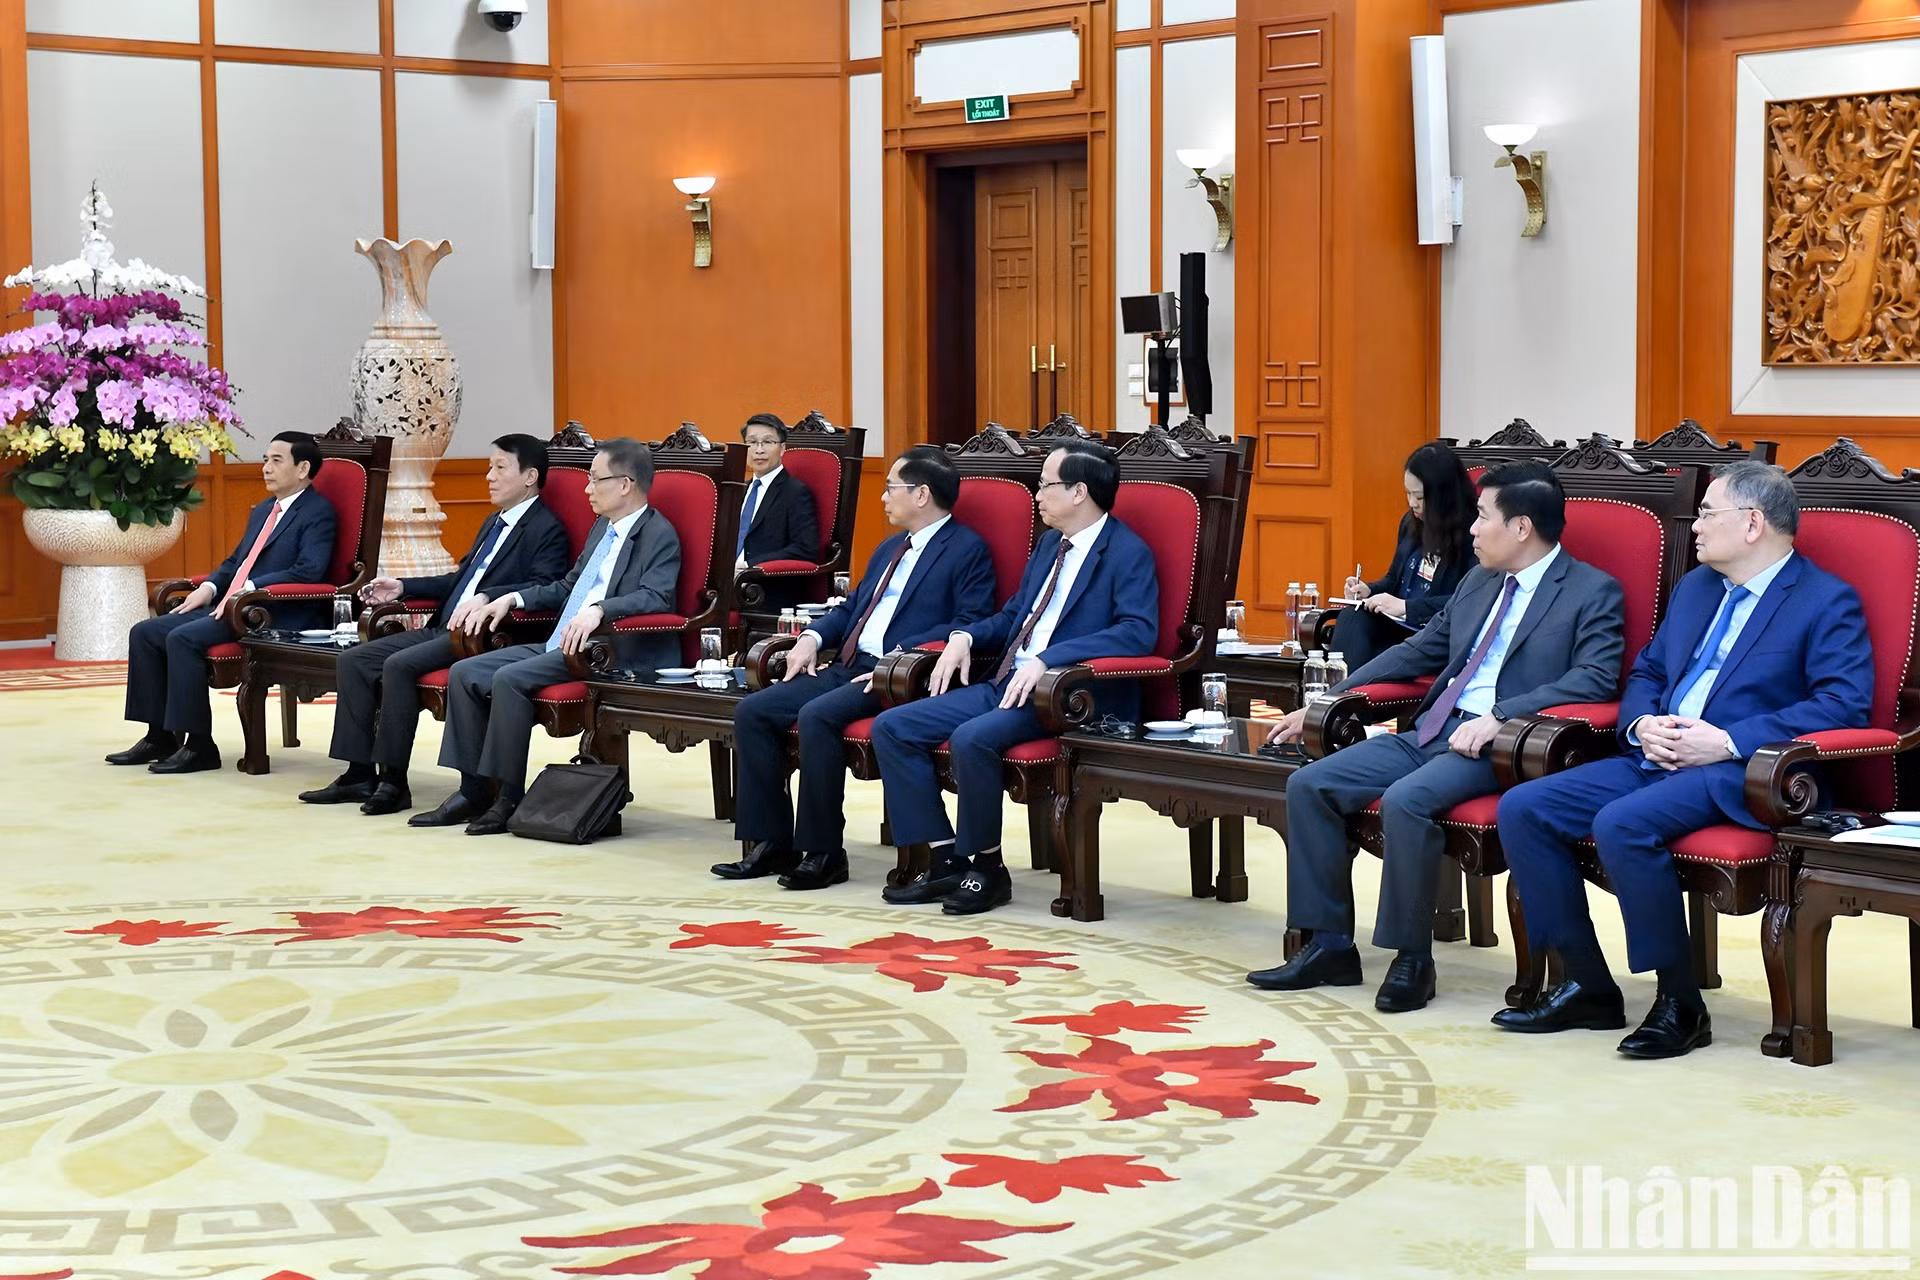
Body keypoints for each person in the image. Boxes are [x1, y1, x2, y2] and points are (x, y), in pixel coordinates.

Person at [1494, 461, 1873, 1059]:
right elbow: (1648, 670)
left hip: (1745, 772)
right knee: (1525, 807)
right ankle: (1587, 985)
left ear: (1753, 524)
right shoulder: (1697, 587)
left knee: (1623, 823)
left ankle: (1680, 1003)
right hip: (1658, 753)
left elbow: (1843, 703)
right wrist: (1643, 725)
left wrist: (1725, 741)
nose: (1693, 527)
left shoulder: (1825, 600)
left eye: (1706, 513)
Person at [1245, 460, 1626, 1013]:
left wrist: (1503, 715)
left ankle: (1411, 957)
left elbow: (1595, 677)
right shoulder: (1479, 581)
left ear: (1521, 528)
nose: (1470, 529)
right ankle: (1328, 944)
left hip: (1504, 744)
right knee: (1312, 784)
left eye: (1482, 518)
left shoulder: (1592, 591)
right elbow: (1417, 650)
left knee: (1407, 802)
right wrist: (1326, 700)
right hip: (1433, 728)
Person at [870, 440, 1158, 916]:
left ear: (1078, 492)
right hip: (1006, 683)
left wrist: (1051, 659)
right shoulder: (1050, 545)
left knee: (972, 739)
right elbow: (1011, 617)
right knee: (894, 727)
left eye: (1044, 485)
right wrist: (963, 636)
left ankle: (986, 868)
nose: (1037, 495)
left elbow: (1136, 633)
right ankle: (943, 856)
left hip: (1068, 695)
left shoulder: (1127, 552)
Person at [713, 446, 997, 889]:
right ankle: (769, 843)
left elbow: (970, 622)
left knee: (817, 715)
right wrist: (812, 637)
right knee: (754, 710)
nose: (883, 497)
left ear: (921, 495)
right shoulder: (890, 548)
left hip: (900, 673)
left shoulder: (966, 549)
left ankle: (824, 852)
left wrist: (897, 659)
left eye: (890, 488)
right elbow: (852, 608)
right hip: (849, 664)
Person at [415, 438, 681, 835]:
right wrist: (510, 597)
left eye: (595, 480)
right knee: (466, 672)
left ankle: (507, 798)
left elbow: (657, 595)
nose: (586, 489)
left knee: (508, 679)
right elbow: (568, 585)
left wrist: (599, 610)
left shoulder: (659, 533)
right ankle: (472, 790)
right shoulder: (601, 529)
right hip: (562, 639)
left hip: (608, 649)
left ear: (625, 484)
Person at [298, 434, 572, 815]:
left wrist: (490, 595)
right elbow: (459, 582)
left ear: (529, 477)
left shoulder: (546, 528)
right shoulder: (495, 521)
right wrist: (403, 587)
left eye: (499, 468)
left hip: (481, 635)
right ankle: (359, 773)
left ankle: (393, 781)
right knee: (354, 660)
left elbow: (546, 585)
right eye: (488, 468)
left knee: (398, 665)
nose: (489, 477)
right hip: (444, 624)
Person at [111, 431, 338, 776]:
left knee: (182, 638)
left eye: (276, 461)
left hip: (276, 611)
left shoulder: (318, 512)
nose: (266, 468)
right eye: (265, 460)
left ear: (303, 468)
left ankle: (200, 746)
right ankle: (160, 736)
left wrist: (249, 587)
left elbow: (309, 572)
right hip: (236, 604)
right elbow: (235, 561)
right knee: (145, 632)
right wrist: (211, 587)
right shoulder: (265, 509)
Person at [1332, 442, 1477, 667]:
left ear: (1444, 495)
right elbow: (1394, 580)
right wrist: (1369, 590)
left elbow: (1468, 601)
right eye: (1408, 494)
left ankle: (1344, 694)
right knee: (1352, 617)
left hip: (1434, 632)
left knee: (1369, 643)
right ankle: (1340, 695)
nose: (1412, 503)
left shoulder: (1474, 534)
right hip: (1399, 626)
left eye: (1419, 497)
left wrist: (1406, 608)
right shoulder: (1410, 522)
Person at [735, 412, 821, 610]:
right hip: (729, 585)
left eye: (767, 442)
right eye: (752, 442)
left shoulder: (795, 492)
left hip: (768, 589)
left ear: (782, 448)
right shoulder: (739, 490)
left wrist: (750, 565)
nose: (759, 450)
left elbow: (806, 548)